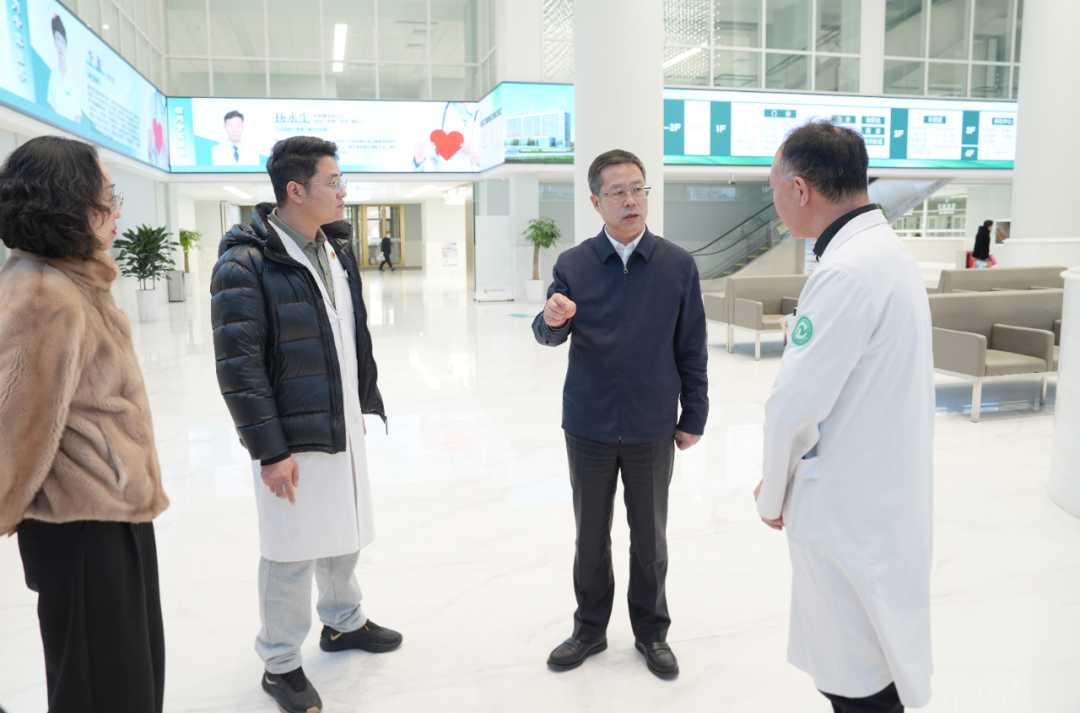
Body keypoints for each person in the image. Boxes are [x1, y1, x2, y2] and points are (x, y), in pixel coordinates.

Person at [210, 136, 399, 713]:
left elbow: (349, 334)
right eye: (333, 181)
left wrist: (357, 404)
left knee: (344, 527)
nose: (343, 191)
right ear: (295, 190)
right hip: (290, 435)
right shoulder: (245, 262)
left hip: (337, 420)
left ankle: (343, 622)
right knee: (291, 549)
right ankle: (280, 663)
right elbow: (239, 367)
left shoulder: (334, 247)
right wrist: (270, 451)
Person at [754, 121, 934, 712]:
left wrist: (771, 494)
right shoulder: (887, 255)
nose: (775, 204)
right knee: (873, 669)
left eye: (774, 189)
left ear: (800, 189)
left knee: (858, 685)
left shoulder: (846, 272)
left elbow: (793, 403)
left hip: (848, 515)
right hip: (880, 499)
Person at [0, 136, 169, 712]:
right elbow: (17, 427)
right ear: (69, 202)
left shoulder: (73, 281)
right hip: (80, 526)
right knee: (102, 687)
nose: (116, 210)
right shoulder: (45, 294)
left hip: (111, 513)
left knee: (128, 673)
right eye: (107, 196)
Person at [532, 149, 708, 679]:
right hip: (588, 421)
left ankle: (652, 634)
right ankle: (589, 629)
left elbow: (692, 347)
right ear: (596, 202)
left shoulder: (677, 264)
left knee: (650, 539)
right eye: (617, 192)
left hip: (652, 423)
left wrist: (694, 414)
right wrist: (553, 318)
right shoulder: (574, 264)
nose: (631, 200)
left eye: (638, 189)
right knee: (590, 536)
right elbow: (547, 334)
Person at [46, 15, 83, 123]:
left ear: (66, 44)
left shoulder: (73, 79)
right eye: (57, 39)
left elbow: (77, 115)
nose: (60, 45)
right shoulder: (53, 76)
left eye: (62, 41)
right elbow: (52, 108)